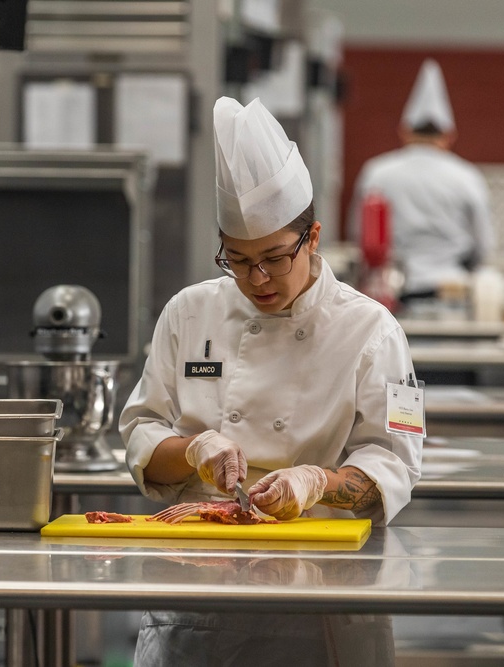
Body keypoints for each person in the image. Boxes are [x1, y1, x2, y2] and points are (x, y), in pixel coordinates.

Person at [120, 96, 422, 666]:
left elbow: (397, 463)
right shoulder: (187, 313)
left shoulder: (375, 331)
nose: (257, 279)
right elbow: (141, 436)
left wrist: (316, 482)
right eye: (236, 260)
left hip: (321, 601)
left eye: (276, 258)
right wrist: (194, 451)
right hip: (197, 600)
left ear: (313, 237)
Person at [348, 59, 494, 301]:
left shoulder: (377, 172)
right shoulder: (467, 177)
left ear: (404, 131)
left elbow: (359, 234)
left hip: (390, 290)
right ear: (449, 135)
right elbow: (484, 245)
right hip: (451, 289)